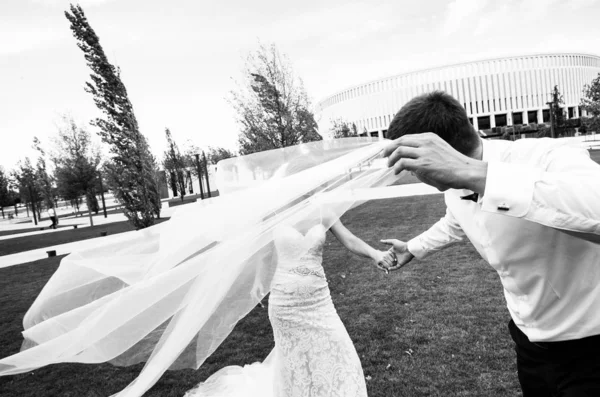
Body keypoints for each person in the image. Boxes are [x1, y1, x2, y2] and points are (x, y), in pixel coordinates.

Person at [381, 90, 600, 396]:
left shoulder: (546, 155)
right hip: (529, 344)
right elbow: (455, 222)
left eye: (413, 163)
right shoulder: (454, 189)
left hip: (590, 347)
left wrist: (481, 175)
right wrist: (413, 248)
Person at [185, 212, 396, 397]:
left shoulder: (323, 209)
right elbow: (265, 251)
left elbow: (349, 239)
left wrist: (375, 253)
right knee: (295, 365)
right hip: (285, 305)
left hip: (319, 302)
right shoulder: (274, 212)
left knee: (341, 353)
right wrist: (259, 280)